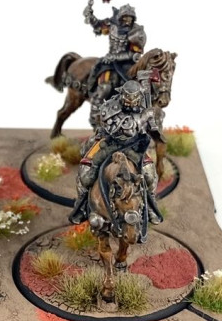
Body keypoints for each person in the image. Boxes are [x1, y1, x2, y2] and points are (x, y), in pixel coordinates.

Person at [70, 79, 163, 225]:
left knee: (150, 175)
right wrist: (143, 117)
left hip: (134, 146)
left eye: (134, 98)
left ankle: (151, 206)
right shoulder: (110, 107)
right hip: (111, 143)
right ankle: (81, 207)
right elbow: (120, 130)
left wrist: (154, 119)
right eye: (128, 98)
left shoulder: (143, 106)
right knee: (86, 174)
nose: (131, 102)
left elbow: (150, 128)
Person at [84, 2, 147, 119]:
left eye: (130, 18)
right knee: (104, 86)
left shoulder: (136, 32)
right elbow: (98, 25)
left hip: (127, 64)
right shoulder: (112, 25)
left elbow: (135, 54)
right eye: (125, 17)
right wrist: (90, 16)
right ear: (120, 18)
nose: (127, 20)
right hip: (110, 63)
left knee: (131, 87)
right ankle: (95, 113)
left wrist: (115, 57)